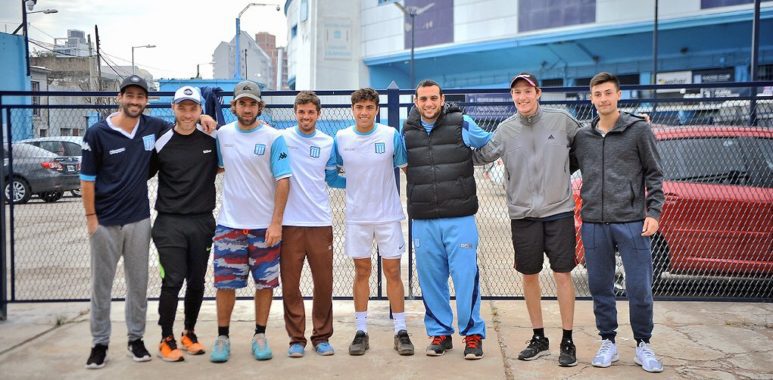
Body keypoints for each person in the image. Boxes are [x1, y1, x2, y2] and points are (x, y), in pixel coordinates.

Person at [80, 75, 215, 369]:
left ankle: (149, 338)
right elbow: (91, 178)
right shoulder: (112, 134)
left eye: (140, 97)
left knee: (151, 284)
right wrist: (91, 217)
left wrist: (208, 118)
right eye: (129, 95)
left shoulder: (167, 130)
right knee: (112, 285)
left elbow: (216, 156)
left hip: (157, 220)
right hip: (126, 221)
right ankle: (104, 343)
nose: (134, 101)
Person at [473, 73, 580, 367]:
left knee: (562, 276)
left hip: (559, 212)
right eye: (517, 93)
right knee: (529, 276)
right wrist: (454, 137)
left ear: (538, 93)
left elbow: (587, 145)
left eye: (527, 91)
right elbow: (481, 156)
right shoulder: (506, 130)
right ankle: (539, 337)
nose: (522, 97)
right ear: (512, 97)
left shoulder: (562, 121)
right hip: (523, 215)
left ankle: (567, 339)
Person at [571, 72, 665, 373]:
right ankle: (608, 341)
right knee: (600, 286)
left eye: (608, 93)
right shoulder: (583, 137)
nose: (603, 99)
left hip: (632, 221)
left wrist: (654, 213)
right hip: (594, 223)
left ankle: (643, 344)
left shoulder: (638, 130)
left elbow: (654, 174)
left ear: (618, 95)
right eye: (598, 94)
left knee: (639, 287)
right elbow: (559, 164)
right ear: (591, 98)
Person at [401, 80, 489, 360]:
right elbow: (403, 164)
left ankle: (473, 333)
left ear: (442, 99)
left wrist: (466, 160)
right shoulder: (406, 131)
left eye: (433, 98)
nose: (428, 104)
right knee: (430, 279)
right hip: (424, 218)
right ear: (416, 101)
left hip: (459, 216)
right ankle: (440, 332)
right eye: (423, 99)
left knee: (465, 277)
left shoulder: (461, 123)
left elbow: (489, 145)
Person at [209, 80, 291, 363]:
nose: (247, 108)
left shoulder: (273, 137)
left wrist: (276, 223)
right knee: (225, 285)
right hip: (229, 225)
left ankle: (260, 335)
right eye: (242, 103)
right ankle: (222, 337)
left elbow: (283, 181)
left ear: (259, 106)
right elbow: (218, 166)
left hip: (263, 227)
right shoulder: (223, 135)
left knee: (265, 284)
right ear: (234, 106)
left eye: (252, 103)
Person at [333, 88, 414, 356]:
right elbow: (331, 173)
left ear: (376, 110)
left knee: (393, 272)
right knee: (362, 272)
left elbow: (406, 167)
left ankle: (401, 330)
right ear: (352, 110)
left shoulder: (390, 135)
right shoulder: (341, 138)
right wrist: (354, 184)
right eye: (359, 107)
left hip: (388, 215)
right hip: (358, 217)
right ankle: (361, 331)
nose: (364, 112)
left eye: (369, 107)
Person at [149, 86, 218, 362]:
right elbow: (141, 172)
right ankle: (166, 338)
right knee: (173, 280)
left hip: (202, 221)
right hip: (169, 223)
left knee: (197, 283)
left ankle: (189, 333)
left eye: (193, 108)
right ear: (173, 109)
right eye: (182, 107)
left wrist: (210, 122)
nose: (188, 113)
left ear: (201, 109)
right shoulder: (161, 141)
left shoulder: (212, 140)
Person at [280, 91, 345, 358]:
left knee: (323, 283)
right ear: (295, 113)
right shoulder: (282, 138)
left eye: (311, 112)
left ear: (318, 114)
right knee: (290, 285)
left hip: (319, 222)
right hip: (289, 223)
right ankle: (296, 338)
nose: (306, 117)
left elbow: (333, 179)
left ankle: (321, 336)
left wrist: (363, 183)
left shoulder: (328, 142)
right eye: (301, 112)